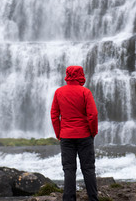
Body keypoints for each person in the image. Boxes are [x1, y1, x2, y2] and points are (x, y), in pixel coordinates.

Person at [51, 65, 98, 201]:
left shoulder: (59, 92)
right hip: (84, 135)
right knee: (88, 169)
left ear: (67, 75)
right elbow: (93, 115)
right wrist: (93, 132)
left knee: (69, 169)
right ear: (81, 75)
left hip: (66, 136)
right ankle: (93, 199)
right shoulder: (85, 92)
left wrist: (58, 133)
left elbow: (54, 115)